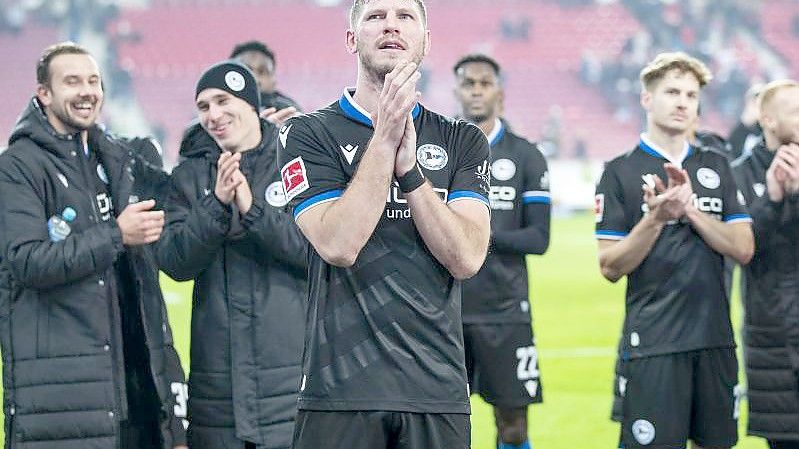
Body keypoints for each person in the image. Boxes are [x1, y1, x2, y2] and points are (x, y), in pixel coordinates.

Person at [276, 1, 491, 448]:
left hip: (436, 391)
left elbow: (467, 258)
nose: (391, 24)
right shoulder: (307, 134)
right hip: (339, 391)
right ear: (352, 40)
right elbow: (338, 243)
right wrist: (386, 137)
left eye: (405, 16)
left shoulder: (463, 140)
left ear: (426, 42)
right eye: (375, 16)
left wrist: (411, 173)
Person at [0, 41, 187, 449]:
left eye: (93, 81)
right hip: (64, 406)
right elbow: (26, 260)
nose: (87, 91)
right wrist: (117, 235)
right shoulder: (18, 167)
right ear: (43, 94)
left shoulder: (115, 159)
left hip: (132, 400)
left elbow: (184, 192)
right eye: (72, 82)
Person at [595, 52, 754, 449]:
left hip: (715, 339)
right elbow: (610, 266)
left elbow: (744, 249)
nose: (683, 102)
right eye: (671, 92)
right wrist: (656, 218)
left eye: (691, 94)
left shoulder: (717, 166)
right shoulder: (619, 171)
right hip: (653, 343)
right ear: (647, 99)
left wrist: (691, 211)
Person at [156, 61, 307, 449]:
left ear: (252, 105)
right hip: (216, 389)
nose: (214, 115)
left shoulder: (296, 162)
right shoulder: (189, 177)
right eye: (203, 107)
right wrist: (217, 206)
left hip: (290, 384)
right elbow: (174, 262)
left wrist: (255, 211)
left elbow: (316, 251)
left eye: (223, 101)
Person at [453, 53, 550, 449]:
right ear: (457, 91)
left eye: (485, 82)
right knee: (441, 423)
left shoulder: (526, 155)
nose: (477, 90)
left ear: (500, 93)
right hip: (445, 311)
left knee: (513, 427)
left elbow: (539, 239)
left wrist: (477, 233)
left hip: (505, 312)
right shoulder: (438, 151)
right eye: (468, 83)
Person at [732, 79, 799, 449]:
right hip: (770, 332)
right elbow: (743, 250)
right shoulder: (738, 174)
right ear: (769, 120)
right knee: (784, 440)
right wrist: (772, 200)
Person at [230, 40, 301, 113]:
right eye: (246, 70)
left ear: (274, 80)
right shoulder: (220, 109)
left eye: (262, 72)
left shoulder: (289, 111)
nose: (255, 79)